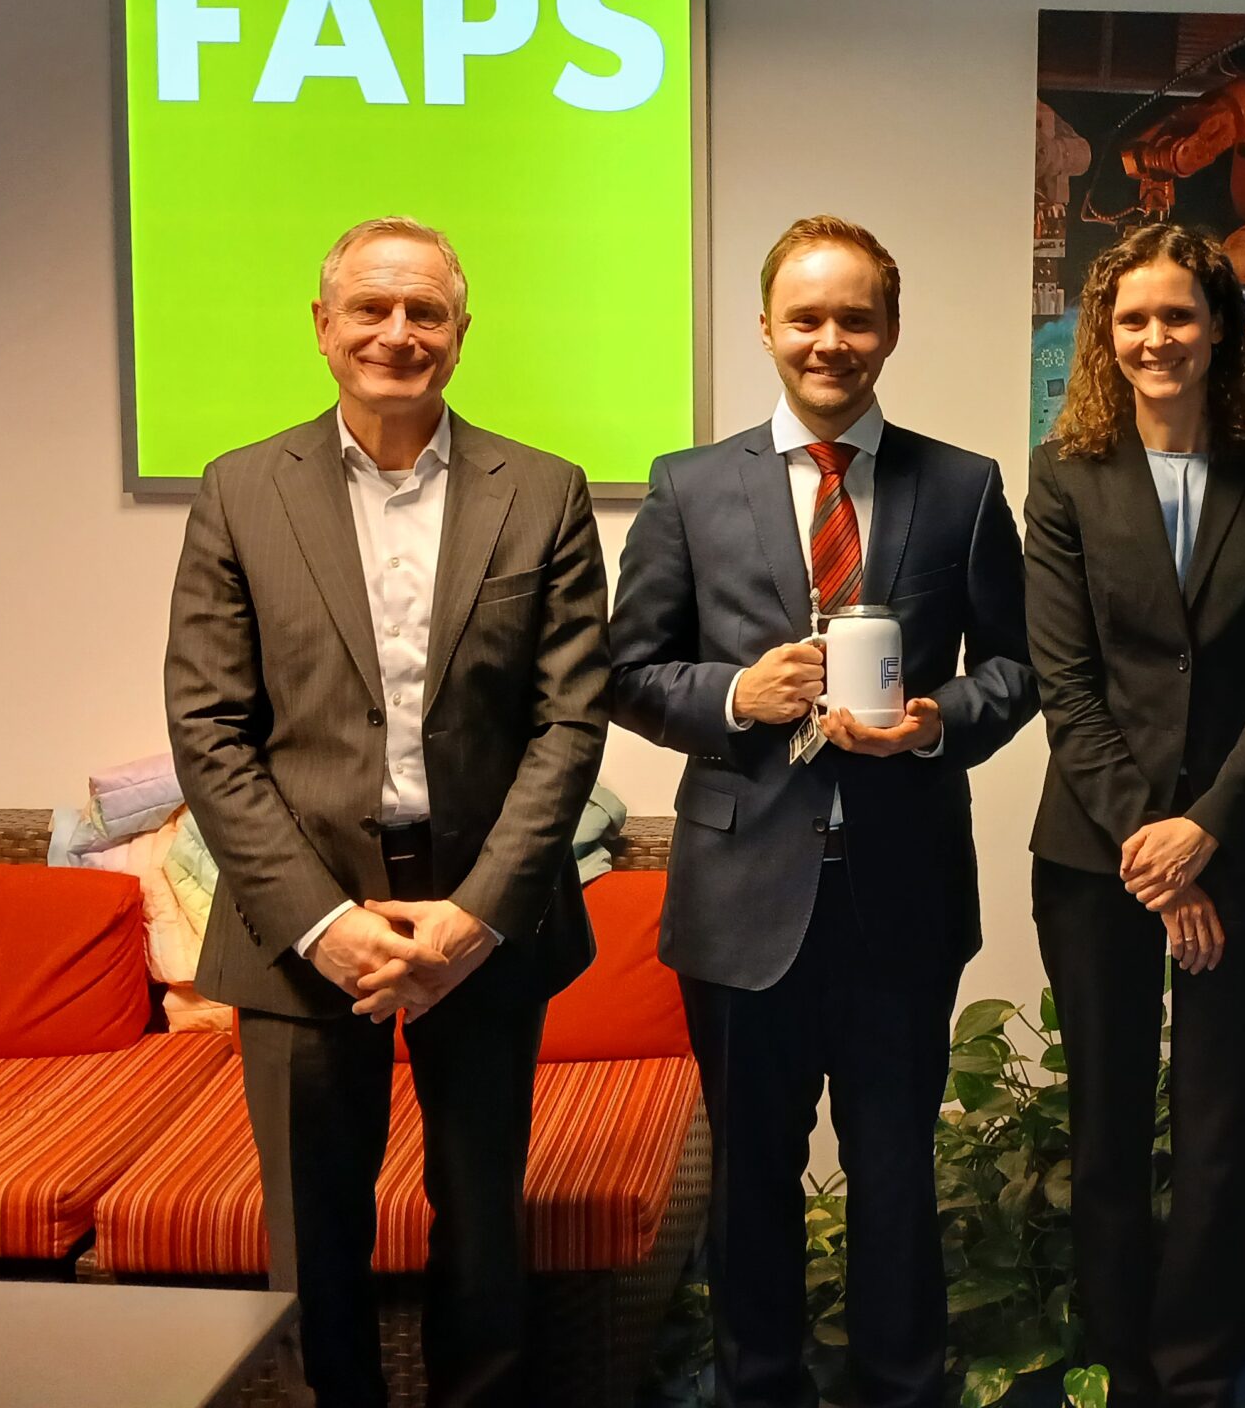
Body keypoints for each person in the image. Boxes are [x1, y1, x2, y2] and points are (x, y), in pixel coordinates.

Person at [165, 216, 609, 1408]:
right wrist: (322, 924)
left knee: (483, 1220)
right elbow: (209, 728)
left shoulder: (545, 491)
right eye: (370, 308)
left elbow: (569, 723)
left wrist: (478, 915)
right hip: (297, 921)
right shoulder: (241, 490)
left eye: (426, 312)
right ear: (323, 327)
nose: (397, 333)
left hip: (484, 916)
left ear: (461, 334)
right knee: (313, 1232)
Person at [607, 215, 1036, 1408]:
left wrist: (937, 718)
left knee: (895, 1175)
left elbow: (1019, 667)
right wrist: (732, 695)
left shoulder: (962, 486)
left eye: (855, 318)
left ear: (889, 331)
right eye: (806, 318)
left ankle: (902, 1388)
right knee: (752, 1180)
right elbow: (625, 671)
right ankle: (761, 1390)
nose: (829, 340)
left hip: (902, 893)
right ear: (766, 328)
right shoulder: (690, 486)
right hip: (740, 900)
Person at [1024, 223, 1245, 1408]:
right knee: (1106, 1128)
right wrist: (1156, 853)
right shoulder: (1064, 475)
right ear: (1106, 336)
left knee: (1218, 1129)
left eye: (1179, 315)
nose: (1156, 337)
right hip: (1093, 855)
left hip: (1243, 846)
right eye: (1134, 318)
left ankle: (1198, 1374)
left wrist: (1204, 831)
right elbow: (1065, 685)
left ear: (1218, 330)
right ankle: (1123, 1366)